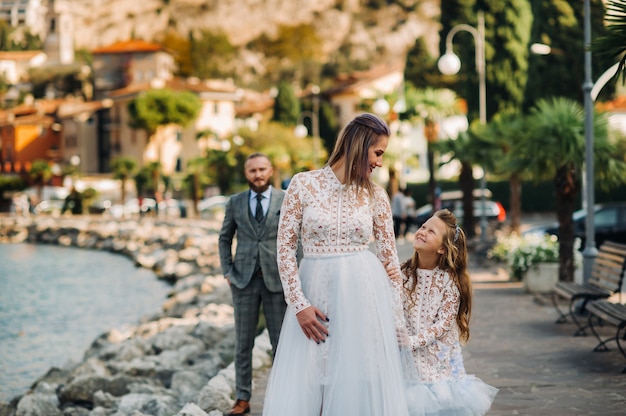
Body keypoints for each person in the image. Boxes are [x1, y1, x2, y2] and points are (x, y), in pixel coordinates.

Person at [263, 113, 413, 415]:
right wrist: (299, 305)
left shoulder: (377, 196)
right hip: (315, 299)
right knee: (313, 381)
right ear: (360, 145)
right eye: (378, 153)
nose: (380, 163)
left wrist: (396, 321)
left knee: (358, 381)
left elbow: (391, 263)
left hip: (363, 300)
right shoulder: (303, 185)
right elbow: (284, 249)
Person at [400, 209, 498, 416]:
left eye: (431, 231)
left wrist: (412, 341)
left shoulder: (449, 281)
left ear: (443, 249)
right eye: (423, 226)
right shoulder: (402, 274)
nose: (422, 232)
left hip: (438, 366)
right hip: (406, 363)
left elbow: (443, 324)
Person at [218, 153, 287, 416]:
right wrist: (228, 270)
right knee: (243, 342)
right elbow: (225, 238)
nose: (257, 174)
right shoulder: (234, 202)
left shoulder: (285, 199)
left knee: (280, 343)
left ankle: (281, 395)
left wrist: (297, 272)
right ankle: (243, 398)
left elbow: (297, 238)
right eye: (252, 171)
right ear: (245, 174)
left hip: (277, 280)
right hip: (243, 281)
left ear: (270, 171)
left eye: (261, 169)